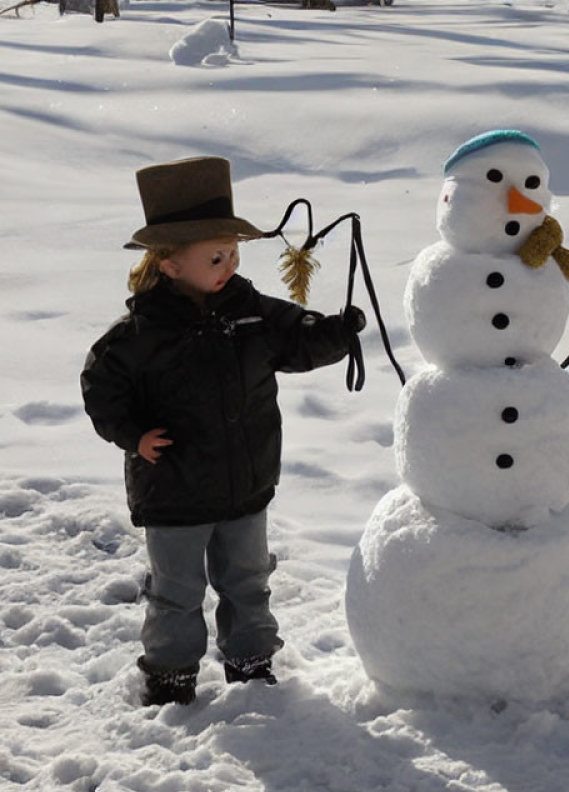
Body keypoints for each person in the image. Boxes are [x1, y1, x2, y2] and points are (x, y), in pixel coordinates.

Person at [81, 157, 366, 706]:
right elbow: (102, 389)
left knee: (248, 580)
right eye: (216, 257)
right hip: (174, 489)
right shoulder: (140, 333)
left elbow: (295, 339)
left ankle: (251, 661)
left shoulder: (250, 311)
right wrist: (134, 435)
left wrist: (336, 332)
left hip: (245, 483)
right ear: (169, 264)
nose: (229, 264)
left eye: (233, 253)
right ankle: (170, 674)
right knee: (177, 590)